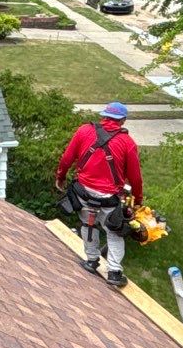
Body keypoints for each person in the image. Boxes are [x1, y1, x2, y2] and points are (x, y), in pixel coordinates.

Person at [53, 101, 144, 285]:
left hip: (83, 192)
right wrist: (138, 200)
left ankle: (92, 260)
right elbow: (135, 178)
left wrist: (60, 177)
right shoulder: (127, 143)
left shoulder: (84, 131)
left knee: (88, 224)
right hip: (109, 199)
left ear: (103, 116)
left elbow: (67, 158)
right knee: (114, 232)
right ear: (123, 121)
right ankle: (114, 272)